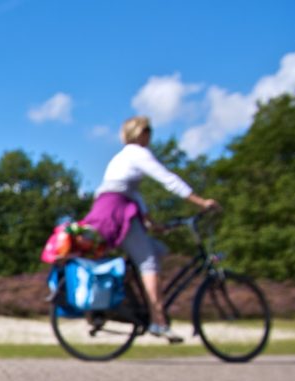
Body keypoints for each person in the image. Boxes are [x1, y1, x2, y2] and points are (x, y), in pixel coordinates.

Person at [80, 116, 220, 342]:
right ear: (141, 134)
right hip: (116, 212)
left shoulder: (121, 159)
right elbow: (168, 179)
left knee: (157, 249)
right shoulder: (137, 153)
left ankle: (139, 301)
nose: (150, 139)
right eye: (149, 134)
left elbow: (132, 195)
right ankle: (158, 321)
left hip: (111, 210)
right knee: (148, 262)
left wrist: (152, 224)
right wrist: (200, 201)